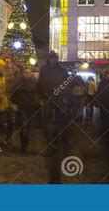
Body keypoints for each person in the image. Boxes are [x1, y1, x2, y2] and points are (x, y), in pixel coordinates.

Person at [38, 51, 72, 183]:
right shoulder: (62, 70)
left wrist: (42, 94)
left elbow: (40, 84)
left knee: (49, 121)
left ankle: (51, 142)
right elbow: (67, 84)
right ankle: (57, 141)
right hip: (57, 99)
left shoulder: (44, 69)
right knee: (57, 120)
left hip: (50, 98)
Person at [11, 67, 39, 153]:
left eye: (28, 72)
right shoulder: (19, 84)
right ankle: (24, 146)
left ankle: (28, 144)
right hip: (22, 107)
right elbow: (13, 94)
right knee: (24, 126)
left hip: (31, 107)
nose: (27, 74)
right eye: (25, 72)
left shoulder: (35, 84)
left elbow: (38, 94)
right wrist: (15, 103)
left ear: (30, 74)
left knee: (29, 126)